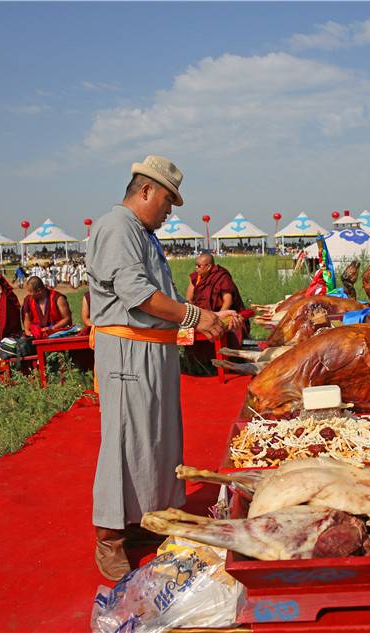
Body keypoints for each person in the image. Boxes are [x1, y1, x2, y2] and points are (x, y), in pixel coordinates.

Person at [86, 155, 241, 580]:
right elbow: (136, 293)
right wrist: (195, 317)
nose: (169, 212)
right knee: (124, 439)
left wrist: (199, 318)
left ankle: (141, 521)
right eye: (167, 202)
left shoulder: (140, 232)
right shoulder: (118, 227)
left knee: (153, 441)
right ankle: (109, 536)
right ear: (145, 191)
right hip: (127, 350)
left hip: (153, 349)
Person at [184, 252, 250, 369]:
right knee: (184, 332)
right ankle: (191, 364)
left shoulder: (221, 277)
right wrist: (196, 315)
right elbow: (189, 298)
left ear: (209, 266)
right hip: (201, 314)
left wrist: (218, 317)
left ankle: (224, 363)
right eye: (195, 265)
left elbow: (227, 301)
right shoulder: (195, 278)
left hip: (221, 313)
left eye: (199, 266)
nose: (196, 268)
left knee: (225, 328)